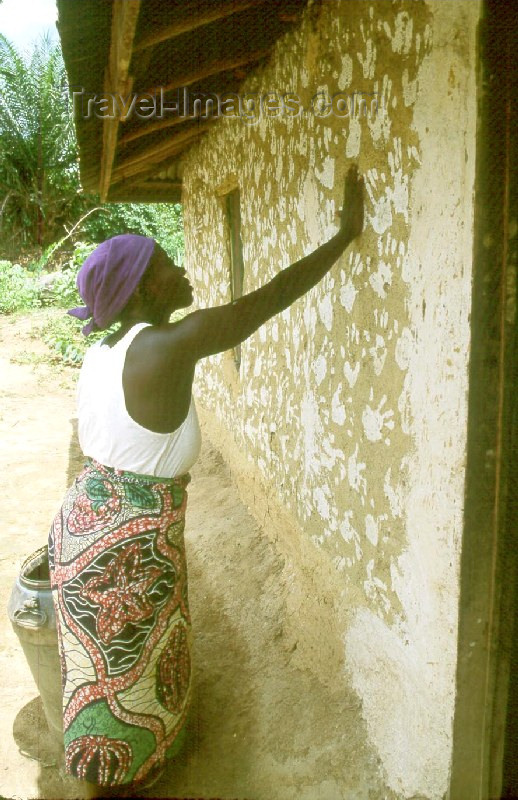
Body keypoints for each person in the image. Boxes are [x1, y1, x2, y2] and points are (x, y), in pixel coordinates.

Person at [48, 166, 364, 796]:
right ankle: (131, 778)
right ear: (142, 289)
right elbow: (262, 303)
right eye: (167, 261)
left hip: (85, 526)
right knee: (133, 676)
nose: (183, 268)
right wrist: (344, 235)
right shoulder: (166, 346)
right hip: (128, 552)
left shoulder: (103, 351)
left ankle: (111, 774)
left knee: (103, 676)